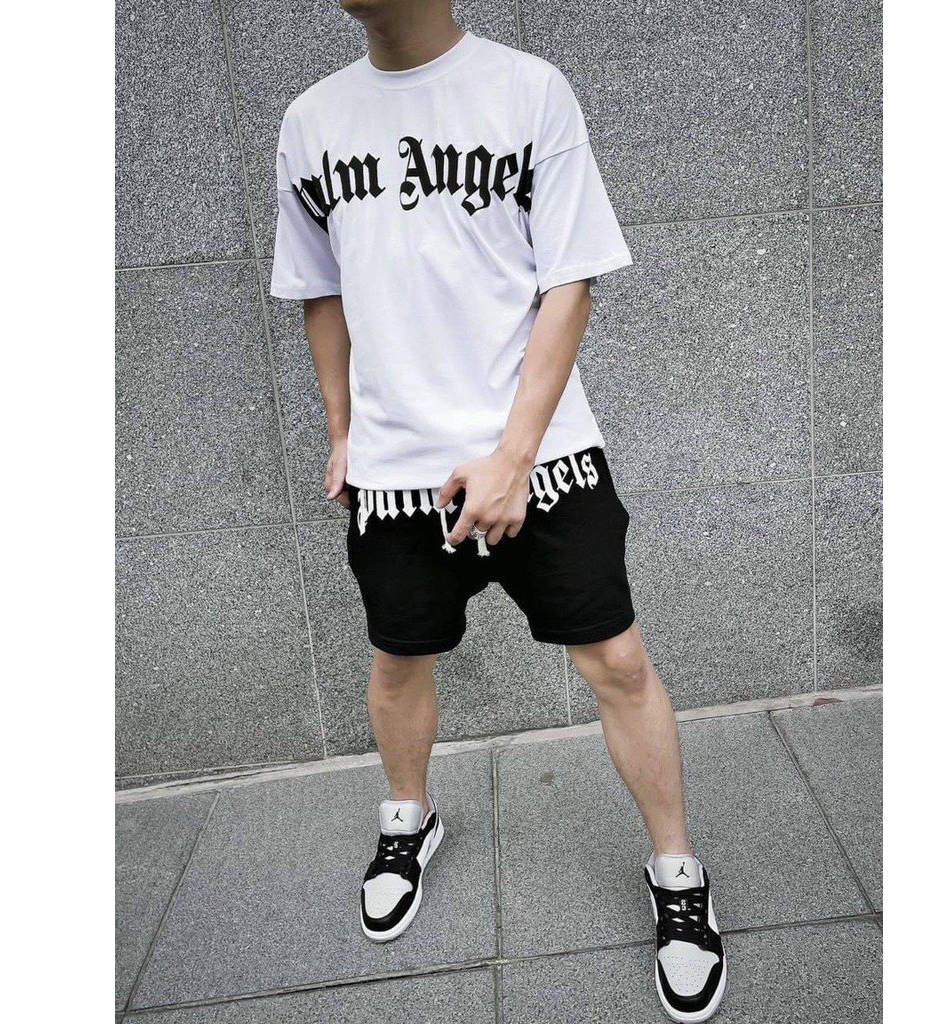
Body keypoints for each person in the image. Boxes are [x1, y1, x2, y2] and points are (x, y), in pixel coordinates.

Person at [269, 2, 726, 1019]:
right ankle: (409, 816)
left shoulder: (528, 90)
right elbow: (318, 289)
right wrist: (341, 430)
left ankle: (676, 868)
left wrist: (515, 455)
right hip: (396, 471)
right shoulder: (310, 119)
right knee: (398, 659)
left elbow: (570, 281)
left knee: (617, 662)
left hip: (542, 458)